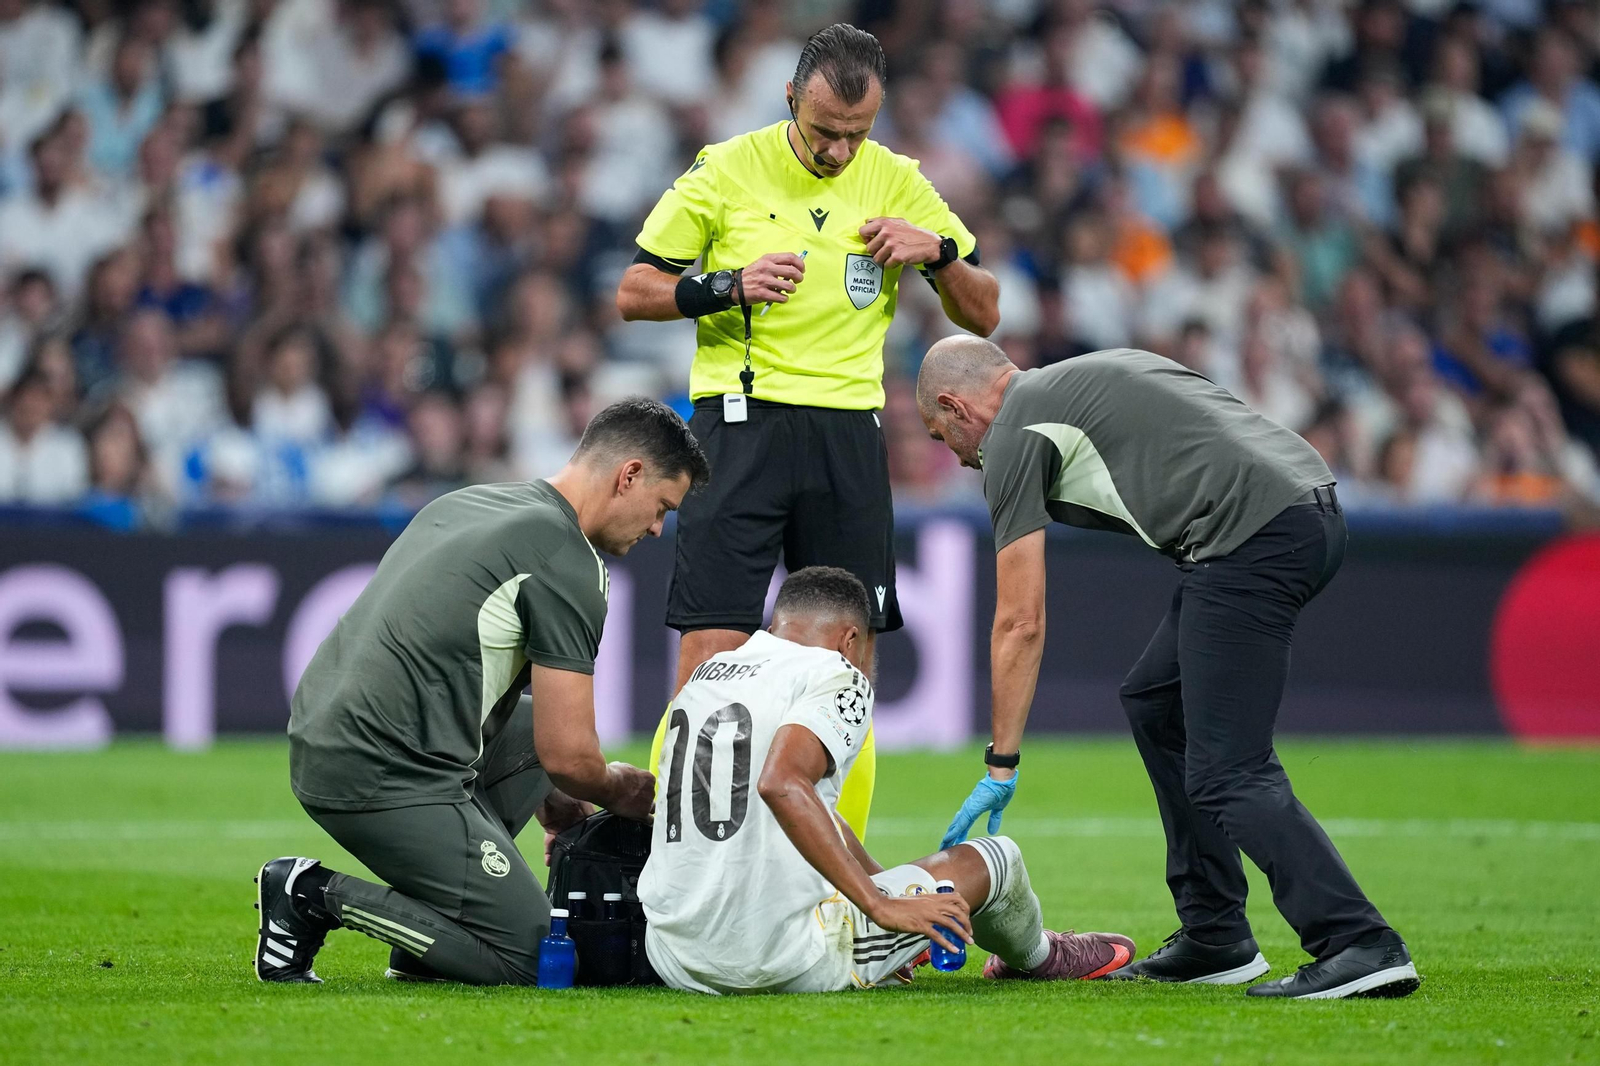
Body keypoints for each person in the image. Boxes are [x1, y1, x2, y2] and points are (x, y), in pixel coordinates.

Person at [915, 336, 1421, 1001]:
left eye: (940, 433)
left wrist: (999, 764)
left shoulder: (1013, 430)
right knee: (1157, 703)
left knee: (1229, 768)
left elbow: (1020, 620)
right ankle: (1215, 935)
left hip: (1250, 535)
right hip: (1298, 509)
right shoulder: (1091, 372)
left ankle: (1358, 942)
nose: (952, 453)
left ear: (957, 405)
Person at [617, 23, 1001, 842]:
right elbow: (634, 289)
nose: (837, 152)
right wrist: (725, 285)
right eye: (825, 132)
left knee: (847, 671)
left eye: (855, 135)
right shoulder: (726, 169)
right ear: (791, 98)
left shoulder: (898, 179)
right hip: (739, 429)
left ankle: (841, 885)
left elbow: (985, 311)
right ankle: (672, 867)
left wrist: (936, 254)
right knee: (711, 654)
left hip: (848, 436)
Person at [253, 398, 710, 986]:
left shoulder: (472, 500)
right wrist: (617, 789)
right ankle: (311, 894)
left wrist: (551, 794)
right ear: (629, 476)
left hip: (334, 730)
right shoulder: (569, 561)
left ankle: (432, 941)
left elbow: (468, 670)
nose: (655, 528)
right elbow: (571, 758)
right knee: (532, 953)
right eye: (661, 508)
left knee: (535, 730)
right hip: (379, 770)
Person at [638, 566, 1133, 994]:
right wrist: (880, 904)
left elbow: (790, 797)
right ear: (851, 639)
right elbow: (781, 784)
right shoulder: (837, 673)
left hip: (670, 953)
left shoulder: (709, 674)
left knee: (809, 805)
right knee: (997, 858)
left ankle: (897, 935)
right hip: (775, 958)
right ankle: (1038, 956)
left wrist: (887, 883)